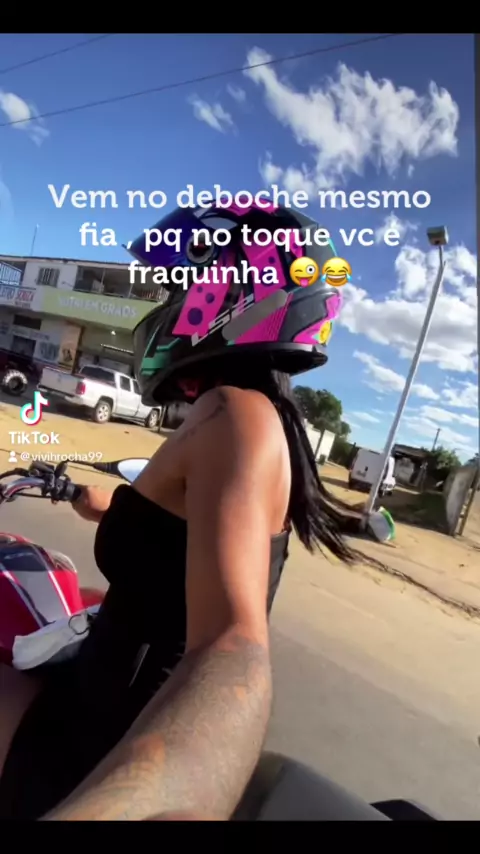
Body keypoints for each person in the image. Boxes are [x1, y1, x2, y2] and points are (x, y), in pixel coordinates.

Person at [0, 202, 357, 821]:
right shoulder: (244, 420)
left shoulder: (234, 415)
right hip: (103, 696)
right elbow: (167, 523)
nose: (165, 302)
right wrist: (78, 493)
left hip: (99, 740)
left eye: (176, 286)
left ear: (233, 291)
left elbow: (234, 644)